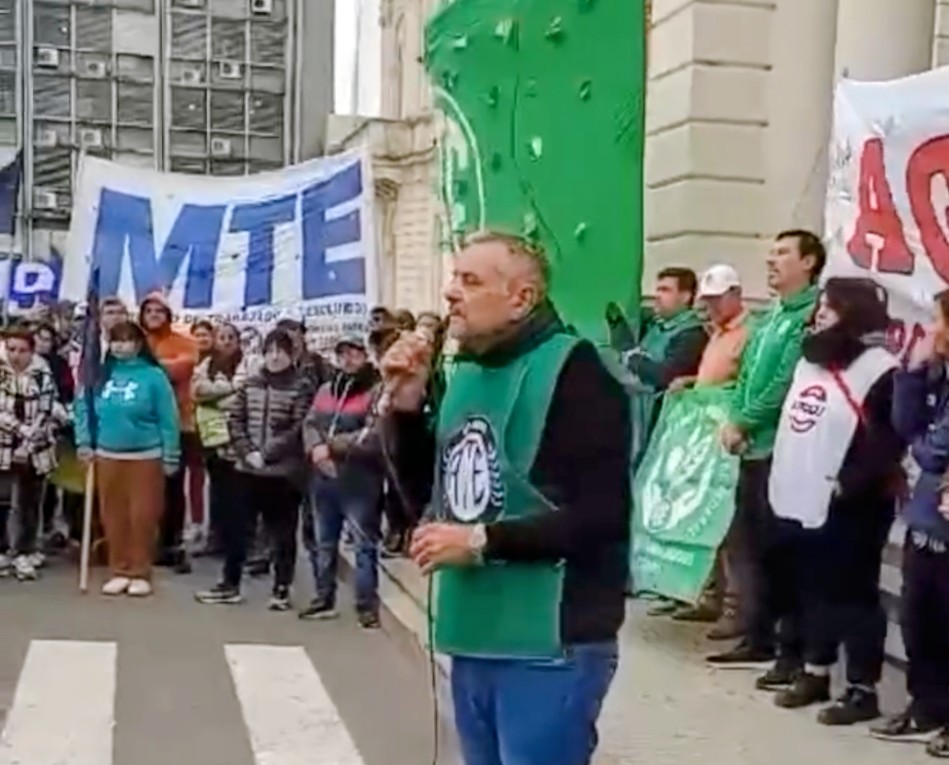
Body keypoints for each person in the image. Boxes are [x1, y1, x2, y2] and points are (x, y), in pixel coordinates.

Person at [384, 231, 630, 765]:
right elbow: (430, 501)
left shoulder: (578, 371)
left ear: (522, 298)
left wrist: (481, 541)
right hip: (473, 632)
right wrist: (405, 409)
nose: (451, 293)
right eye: (454, 278)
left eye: (471, 281)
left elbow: (603, 517)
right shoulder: (464, 372)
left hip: (550, 642)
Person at [766, 278, 902, 725]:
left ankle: (862, 688)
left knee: (853, 594)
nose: (820, 313)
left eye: (831, 306)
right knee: (811, 586)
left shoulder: (881, 370)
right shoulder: (811, 362)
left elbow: (886, 442)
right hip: (802, 493)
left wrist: (849, 483)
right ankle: (814, 670)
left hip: (854, 504)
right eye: (820, 305)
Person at [708, 229, 824, 669]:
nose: (771, 260)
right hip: (750, 448)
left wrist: (746, 420)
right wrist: (735, 418)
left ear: (809, 262)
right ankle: (756, 634)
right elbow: (747, 374)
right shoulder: (771, 314)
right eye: (771, 252)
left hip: (778, 449)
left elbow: (783, 383)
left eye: (783, 253)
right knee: (749, 546)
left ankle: (780, 640)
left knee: (777, 550)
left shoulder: (807, 316)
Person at [875, 289, 949, 754]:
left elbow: (934, 451)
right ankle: (926, 705)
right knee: (920, 618)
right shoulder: (939, 375)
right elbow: (905, 427)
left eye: (939, 321)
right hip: (927, 518)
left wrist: (924, 444)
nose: (932, 329)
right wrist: (913, 373)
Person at [194, 329, 309, 610]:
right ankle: (229, 584)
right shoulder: (252, 384)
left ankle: (281, 588)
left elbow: (299, 428)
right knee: (238, 530)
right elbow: (236, 420)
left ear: (291, 355)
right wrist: (247, 452)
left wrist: (266, 453)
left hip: (282, 473)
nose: (275, 357)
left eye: (280, 351)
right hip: (247, 469)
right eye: (270, 351)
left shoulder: (301, 386)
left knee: (282, 533)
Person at [665, 264, 751, 635]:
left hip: (729, 441)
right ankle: (707, 595)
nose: (711, 307)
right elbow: (712, 379)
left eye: (717, 300)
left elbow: (744, 384)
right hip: (704, 440)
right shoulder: (716, 334)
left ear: (736, 295)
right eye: (708, 301)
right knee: (707, 520)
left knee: (730, 528)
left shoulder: (748, 334)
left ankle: (735, 607)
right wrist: (690, 383)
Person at [74, 321, 180, 597]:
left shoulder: (154, 376)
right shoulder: (99, 375)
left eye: (127, 340)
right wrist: (84, 441)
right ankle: (119, 570)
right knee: (113, 517)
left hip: (146, 457)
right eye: (116, 341)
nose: (121, 346)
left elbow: (169, 418)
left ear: (138, 344)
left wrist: (171, 454)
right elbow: (83, 408)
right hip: (107, 456)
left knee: (142, 517)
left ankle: (140, 571)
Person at [300, 335, 385, 627]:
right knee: (324, 541)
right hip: (324, 476)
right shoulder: (327, 389)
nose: (348, 359)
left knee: (363, 543)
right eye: (343, 354)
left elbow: (373, 435)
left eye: (354, 353)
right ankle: (323, 598)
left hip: (359, 478)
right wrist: (314, 447)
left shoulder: (375, 391)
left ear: (365, 356)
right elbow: (311, 422)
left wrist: (332, 446)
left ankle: (366, 606)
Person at [623, 267, 708, 469]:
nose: (658, 296)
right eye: (658, 290)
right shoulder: (657, 326)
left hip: (664, 427)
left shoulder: (691, 335)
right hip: (640, 416)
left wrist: (633, 359)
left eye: (666, 290)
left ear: (686, 297)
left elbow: (663, 376)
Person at [139, 292, 198, 572]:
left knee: (173, 486)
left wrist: (145, 368)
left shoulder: (183, 343)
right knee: (144, 487)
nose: (153, 315)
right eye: (148, 311)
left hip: (177, 424)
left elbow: (181, 370)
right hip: (141, 426)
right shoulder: (136, 341)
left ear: (168, 315)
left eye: (159, 311)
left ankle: (171, 542)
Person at [0, 328, 59, 581]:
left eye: (22, 350)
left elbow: (46, 410)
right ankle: (2, 549)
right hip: (4, 442)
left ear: (31, 352)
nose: (16, 355)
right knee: (2, 501)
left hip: (35, 447)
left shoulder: (42, 373)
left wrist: (28, 442)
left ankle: (26, 550)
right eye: (11, 349)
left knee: (30, 502)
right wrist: (21, 430)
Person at [191, 322, 245, 555]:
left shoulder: (247, 364)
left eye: (231, 337)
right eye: (222, 337)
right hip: (212, 437)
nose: (226, 341)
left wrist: (217, 398)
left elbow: (244, 395)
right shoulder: (205, 365)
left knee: (239, 492)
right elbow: (197, 392)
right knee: (217, 491)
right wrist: (229, 389)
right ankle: (216, 538)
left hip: (238, 438)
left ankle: (240, 541)